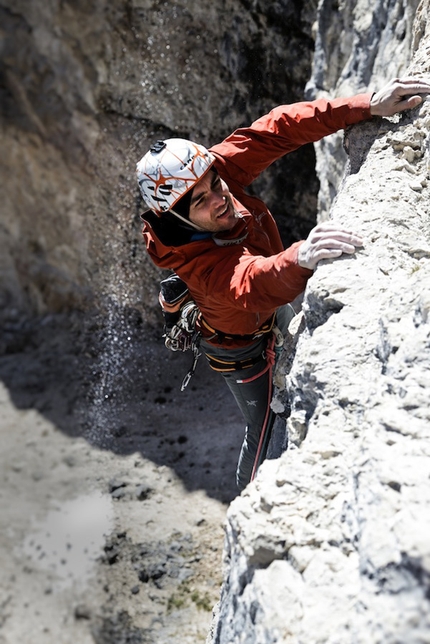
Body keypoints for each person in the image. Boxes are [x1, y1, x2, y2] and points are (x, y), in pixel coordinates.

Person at [136, 77, 430, 491]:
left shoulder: (208, 173)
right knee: (260, 431)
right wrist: (300, 257)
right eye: (200, 202)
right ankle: (246, 502)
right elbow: (250, 281)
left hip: (265, 302)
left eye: (215, 186)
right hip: (238, 347)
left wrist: (366, 105)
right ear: (176, 219)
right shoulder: (200, 263)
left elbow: (278, 129)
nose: (219, 199)